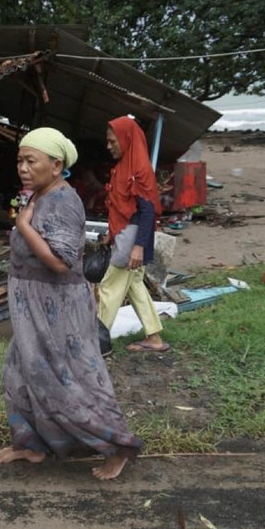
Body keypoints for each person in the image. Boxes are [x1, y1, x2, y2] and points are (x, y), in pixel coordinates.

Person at [0, 126, 143, 481]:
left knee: (70, 379)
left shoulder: (63, 201)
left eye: (31, 161)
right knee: (18, 375)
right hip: (33, 306)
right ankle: (30, 444)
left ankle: (117, 446)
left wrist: (23, 227)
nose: (23, 168)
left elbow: (61, 262)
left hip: (56, 308)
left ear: (57, 165)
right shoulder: (39, 195)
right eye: (20, 160)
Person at [98, 116, 169, 353]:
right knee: (135, 286)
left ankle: (96, 341)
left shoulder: (139, 169)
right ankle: (154, 338)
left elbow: (148, 212)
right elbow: (120, 207)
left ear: (126, 139)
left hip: (132, 238)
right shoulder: (123, 167)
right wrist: (111, 234)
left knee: (109, 286)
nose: (108, 147)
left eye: (112, 141)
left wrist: (138, 246)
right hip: (124, 234)